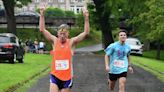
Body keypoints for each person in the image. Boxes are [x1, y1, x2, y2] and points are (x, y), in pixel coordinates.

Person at [39, 4, 89, 92]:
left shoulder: (72, 42)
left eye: (64, 33)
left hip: (67, 78)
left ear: (68, 34)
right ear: (57, 34)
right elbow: (42, 29)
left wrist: (86, 18)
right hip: (55, 76)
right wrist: (42, 15)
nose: (62, 36)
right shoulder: (54, 41)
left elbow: (85, 33)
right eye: (60, 33)